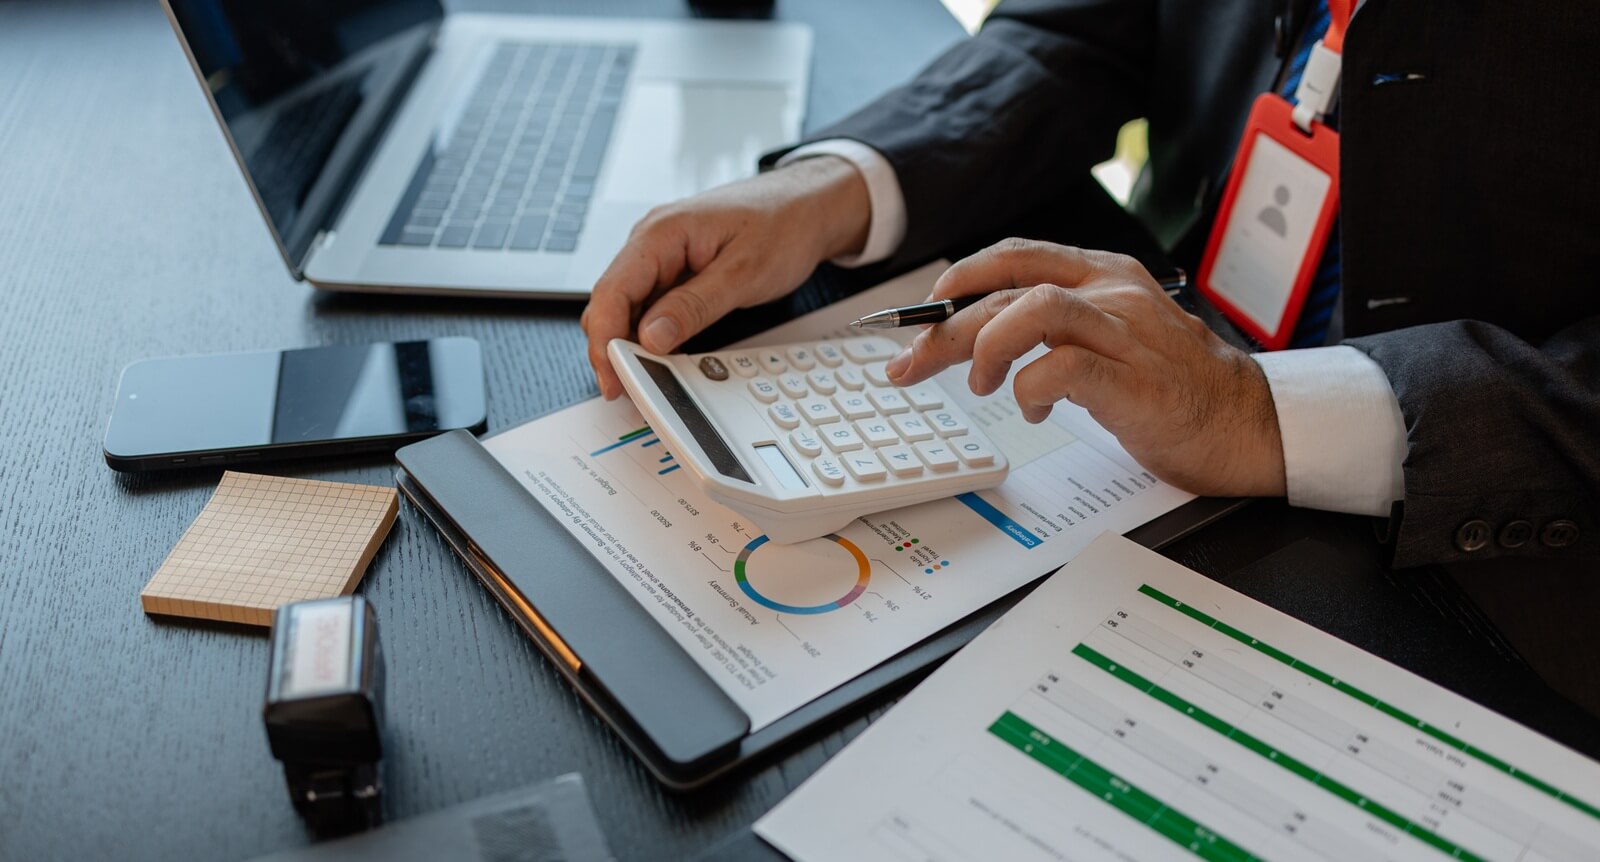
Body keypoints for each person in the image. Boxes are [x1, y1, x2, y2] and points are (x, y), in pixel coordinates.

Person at [580, 0, 1600, 567]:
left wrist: (1258, 411)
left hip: (1489, 537)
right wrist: (836, 185)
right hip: (1159, 382)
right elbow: (1084, 28)